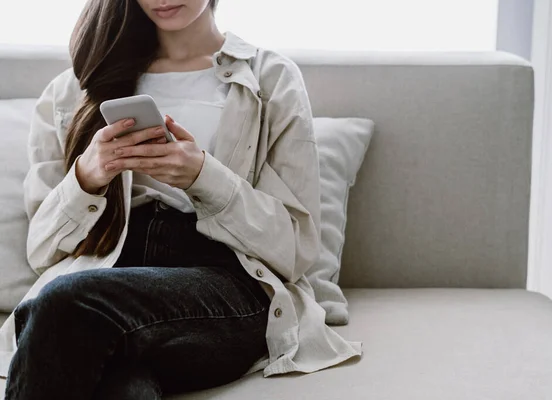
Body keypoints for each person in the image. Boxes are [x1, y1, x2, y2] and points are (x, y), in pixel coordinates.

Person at [0, 0, 361, 399]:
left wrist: (203, 177)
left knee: (64, 304)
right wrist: (88, 177)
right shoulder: (75, 88)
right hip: (109, 271)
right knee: (123, 387)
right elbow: (42, 250)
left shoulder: (270, 78)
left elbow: (294, 248)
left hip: (225, 280)